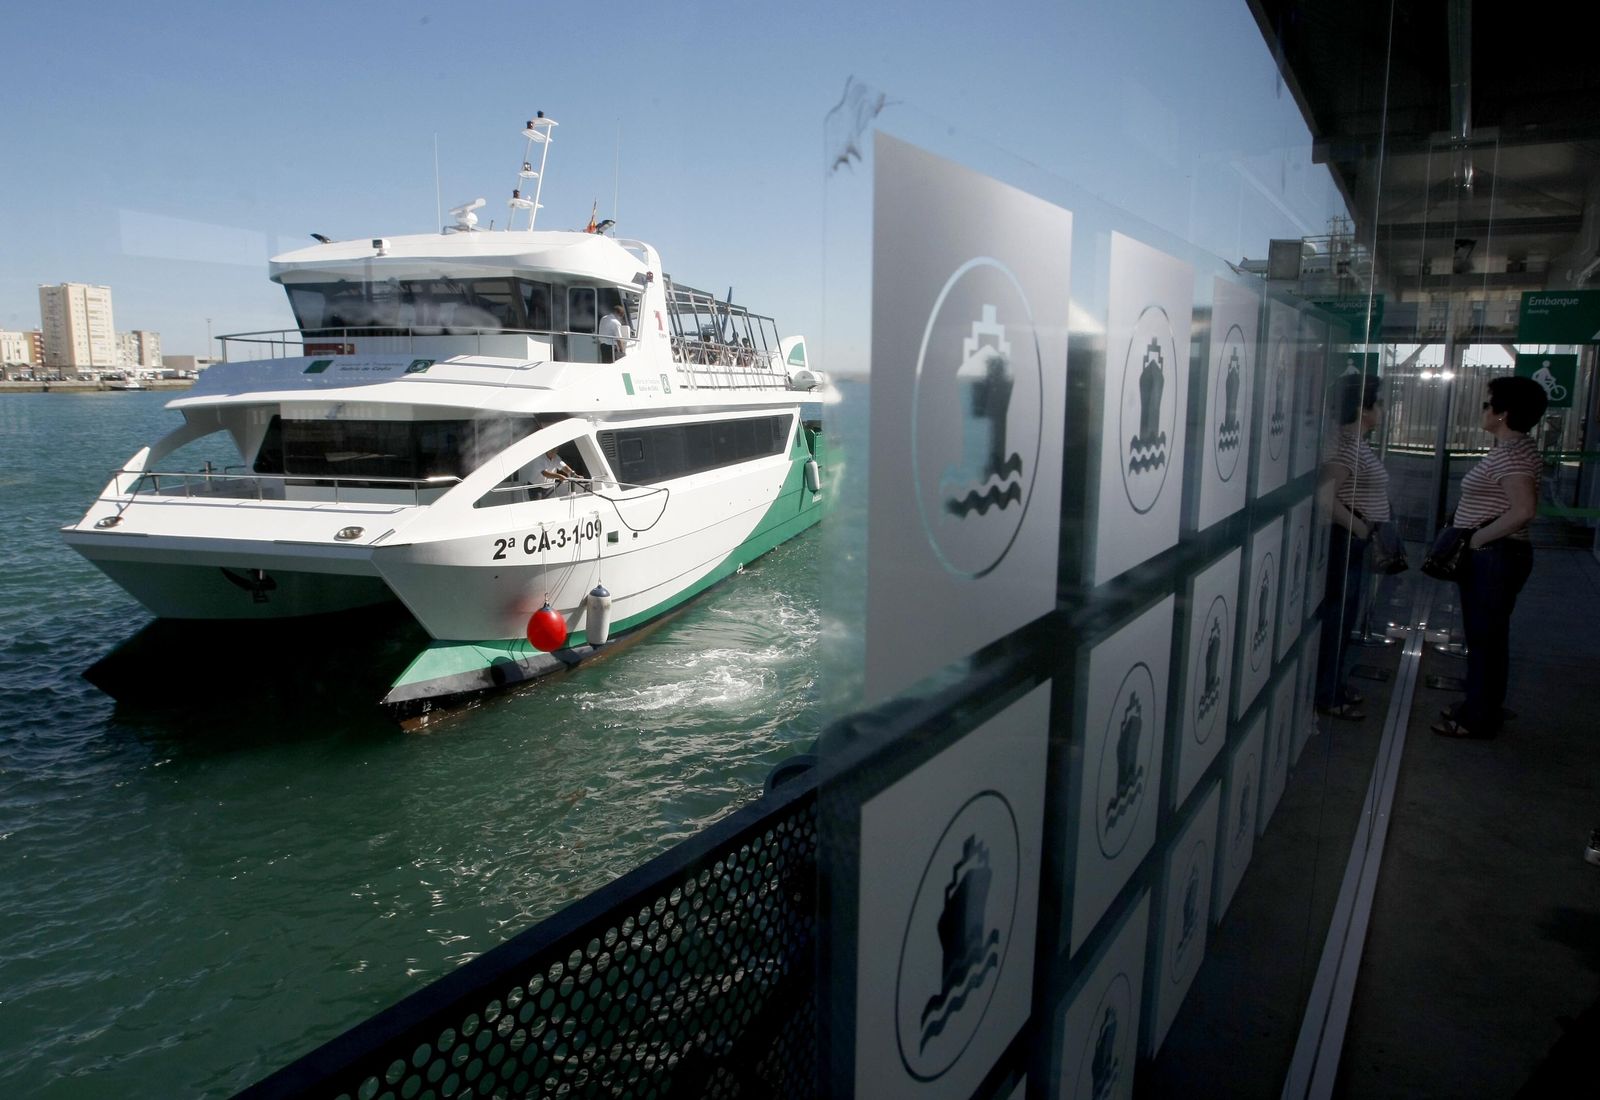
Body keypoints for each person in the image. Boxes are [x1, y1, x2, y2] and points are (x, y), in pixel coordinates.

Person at [1432, 375, 1548, 739]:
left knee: (1484, 640)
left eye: (1487, 404)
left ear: (1503, 412)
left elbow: (1523, 509)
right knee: (1490, 638)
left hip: (1494, 557)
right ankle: (1482, 705)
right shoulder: (1515, 449)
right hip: (1498, 557)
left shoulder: (1514, 455)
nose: (1482, 410)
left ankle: (1475, 718)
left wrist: (1476, 540)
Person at [1315, 372, 1390, 720]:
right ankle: (1328, 693)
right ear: (1363, 408)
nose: (1383, 409)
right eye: (1378, 403)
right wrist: (1361, 529)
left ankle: (1334, 686)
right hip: (1345, 540)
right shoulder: (1345, 446)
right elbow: (1326, 499)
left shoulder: (1354, 443)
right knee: (1338, 619)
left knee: (1344, 619)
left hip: (1352, 539)